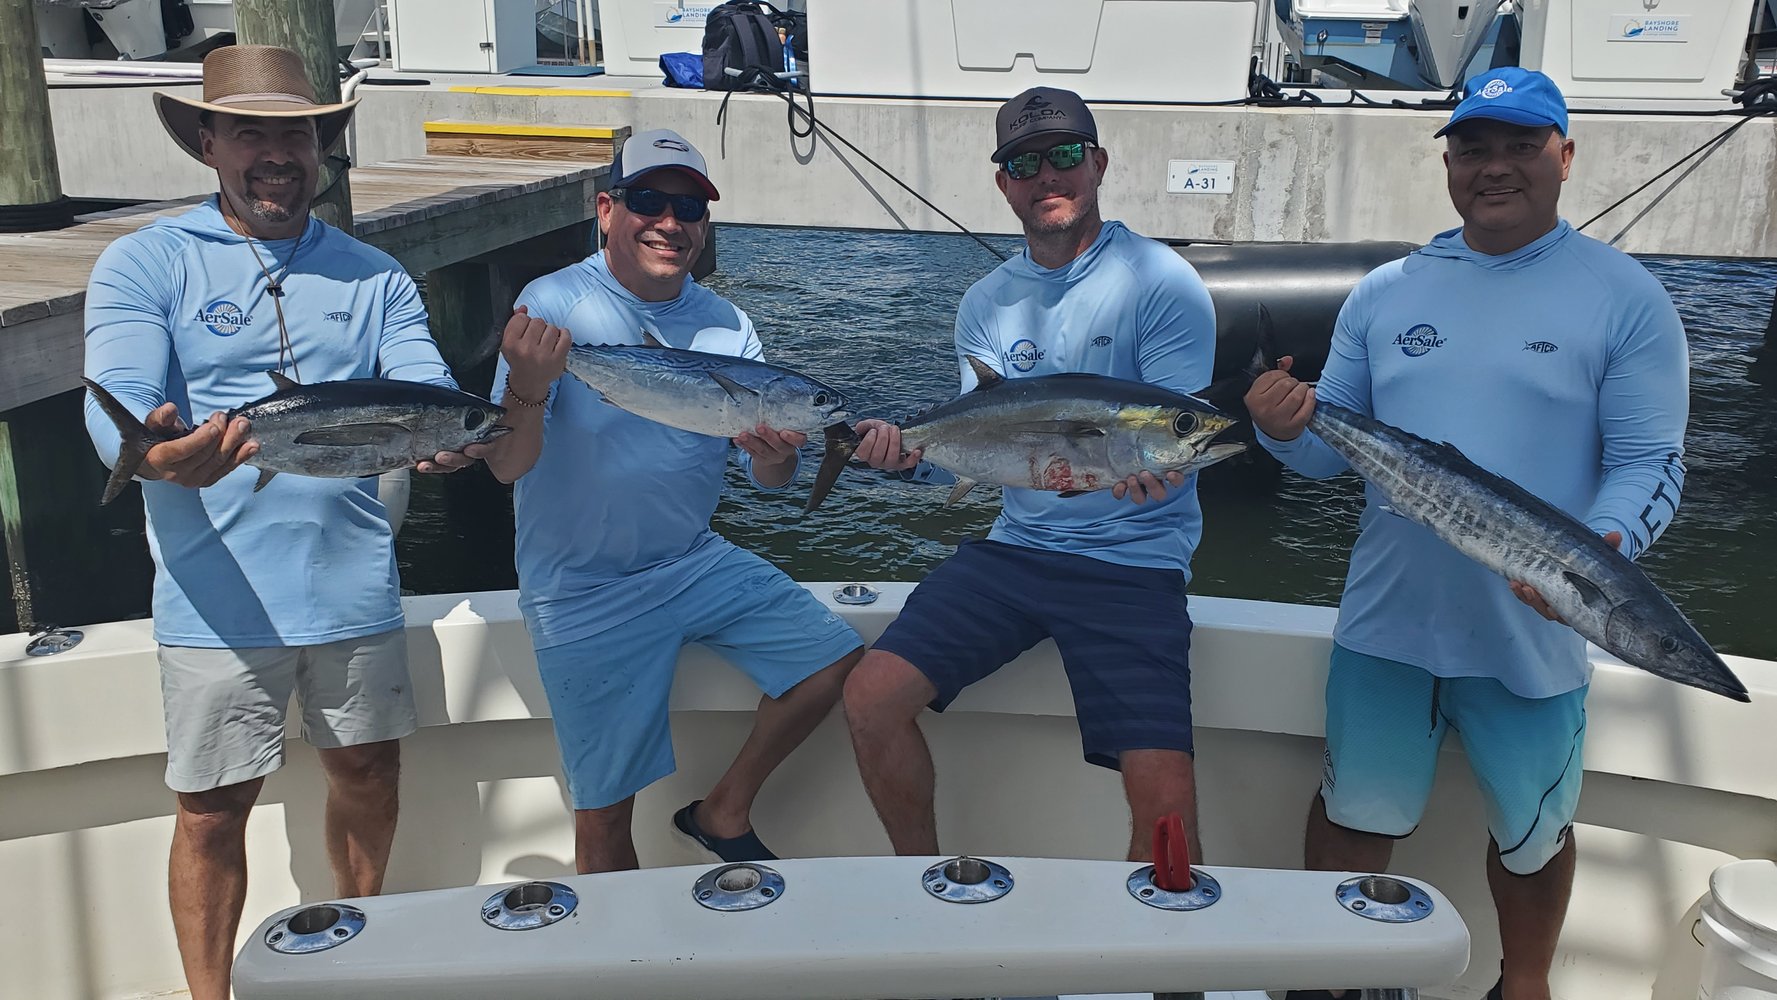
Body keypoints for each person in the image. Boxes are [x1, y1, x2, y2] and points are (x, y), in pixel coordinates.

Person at [1243, 68, 1690, 1000]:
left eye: (1519, 145)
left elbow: (1653, 461)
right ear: (1448, 162)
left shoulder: (1625, 297)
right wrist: (1279, 429)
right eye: (1472, 147)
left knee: (1532, 833)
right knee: (1354, 813)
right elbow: (1334, 455)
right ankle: (1326, 974)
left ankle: (1522, 984)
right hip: (1387, 623)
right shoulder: (1385, 292)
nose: (1494, 167)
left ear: (1563, 156)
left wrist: (1597, 555)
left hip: (1536, 629)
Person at [81, 45, 482, 1000]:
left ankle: (361, 954)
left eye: (294, 133)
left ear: (321, 146)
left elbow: (423, 383)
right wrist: (157, 456)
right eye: (251, 131)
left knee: (369, 774)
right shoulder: (147, 260)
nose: (275, 153)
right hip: (215, 596)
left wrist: (449, 432)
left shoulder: (374, 274)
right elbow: (117, 411)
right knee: (212, 811)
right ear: (208, 142)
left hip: (353, 585)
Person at [842, 87, 1218, 863]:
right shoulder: (985, 303)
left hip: (1132, 560)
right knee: (870, 698)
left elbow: (1176, 437)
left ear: (1098, 163)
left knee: (1165, 793)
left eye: (1065, 155)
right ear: (1003, 183)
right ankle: (923, 882)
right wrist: (905, 458)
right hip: (1014, 549)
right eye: (1023, 162)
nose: (1046, 174)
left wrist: (1164, 475)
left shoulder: (1161, 281)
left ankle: (1162, 961)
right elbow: (983, 442)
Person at [477, 128, 864, 874]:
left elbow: (768, 481)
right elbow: (507, 466)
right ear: (606, 209)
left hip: (692, 561)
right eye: (649, 200)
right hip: (581, 587)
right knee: (602, 820)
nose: (670, 222)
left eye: (689, 208)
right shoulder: (552, 303)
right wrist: (527, 381)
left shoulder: (728, 325)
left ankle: (723, 809)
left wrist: (778, 454)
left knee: (832, 660)